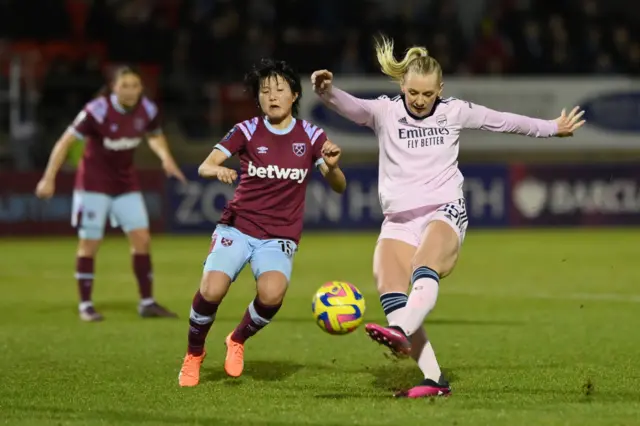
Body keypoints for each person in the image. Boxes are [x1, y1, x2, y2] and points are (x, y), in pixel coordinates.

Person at [311, 36, 585, 398]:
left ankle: (403, 331)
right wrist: (325, 90)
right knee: (390, 288)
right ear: (402, 87)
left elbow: (502, 121)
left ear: (440, 89)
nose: (420, 101)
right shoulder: (384, 112)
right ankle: (435, 380)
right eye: (413, 93)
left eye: (428, 94)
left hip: (444, 210)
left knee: (425, 266)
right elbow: (348, 105)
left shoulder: (454, 111)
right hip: (398, 220)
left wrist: (553, 127)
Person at [178, 58, 347, 387]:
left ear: (294, 95)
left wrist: (333, 166)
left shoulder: (312, 135)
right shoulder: (246, 130)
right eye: (265, 90)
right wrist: (219, 169)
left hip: (279, 235)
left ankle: (237, 339)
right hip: (238, 226)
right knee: (212, 289)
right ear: (258, 98)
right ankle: (194, 354)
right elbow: (204, 166)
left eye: (280, 89)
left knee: (272, 294)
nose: (272, 96)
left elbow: (338, 186)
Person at [35, 66, 187, 322]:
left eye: (135, 86)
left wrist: (166, 159)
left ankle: (147, 302)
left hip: (125, 183)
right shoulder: (97, 110)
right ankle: (86, 305)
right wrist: (48, 178)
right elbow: (65, 142)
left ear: (141, 88)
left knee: (142, 239)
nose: (130, 91)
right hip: (94, 185)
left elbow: (155, 135)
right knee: (90, 243)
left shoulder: (147, 109)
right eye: (124, 86)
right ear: (114, 87)